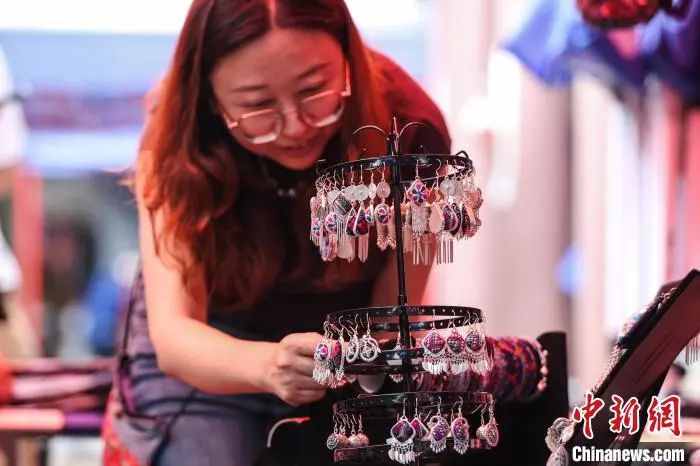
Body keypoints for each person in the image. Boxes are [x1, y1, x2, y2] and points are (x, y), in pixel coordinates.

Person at [103, 1, 450, 464]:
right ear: (209, 96)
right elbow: (175, 333)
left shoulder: (408, 129)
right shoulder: (178, 140)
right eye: (257, 106)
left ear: (348, 56)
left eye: (314, 90)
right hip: (210, 351)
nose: (295, 126)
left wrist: (359, 372)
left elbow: (391, 319)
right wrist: (268, 365)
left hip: (343, 353)